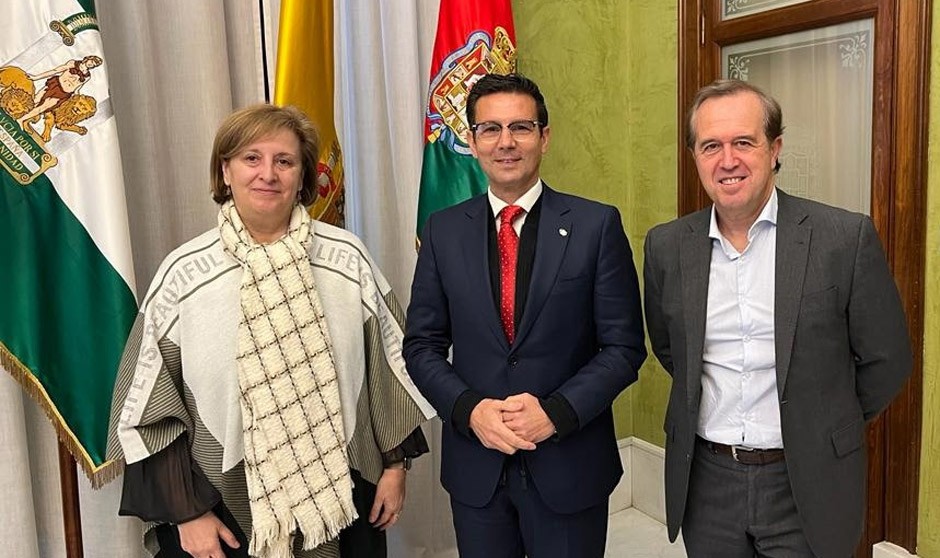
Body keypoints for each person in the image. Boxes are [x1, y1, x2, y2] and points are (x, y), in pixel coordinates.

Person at [107, 104, 434, 558]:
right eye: (251, 159)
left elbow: (388, 372)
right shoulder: (183, 275)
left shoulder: (347, 260)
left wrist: (396, 468)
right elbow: (149, 408)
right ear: (225, 171)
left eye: (285, 161)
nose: (268, 174)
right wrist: (188, 514)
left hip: (341, 496)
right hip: (219, 507)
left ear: (303, 177)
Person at [643, 79, 913, 558]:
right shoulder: (666, 247)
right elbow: (672, 350)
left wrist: (824, 420)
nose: (728, 160)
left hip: (806, 479)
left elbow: (886, 360)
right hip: (707, 482)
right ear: (695, 157)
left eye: (744, 142)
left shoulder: (841, 238)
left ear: (775, 149)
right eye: (711, 146)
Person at [402, 73, 647, 558]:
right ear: (471, 141)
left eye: (521, 127)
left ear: (545, 136)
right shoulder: (443, 231)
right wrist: (469, 409)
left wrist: (555, 413)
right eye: (489, 129)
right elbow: (421, 345)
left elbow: (624, 348)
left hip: (569, 464)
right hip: (478, 470)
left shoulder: (596, 225)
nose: (506, 142)